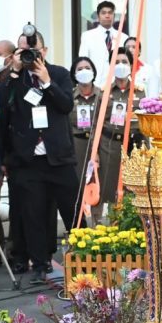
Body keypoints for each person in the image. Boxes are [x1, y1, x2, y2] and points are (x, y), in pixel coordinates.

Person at [0, 30, 76, 285]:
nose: (31, 55)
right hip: (28, 160)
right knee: (34, 215)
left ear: (45, 50)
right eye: (22, 50)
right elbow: (4, 114)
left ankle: (82, 260)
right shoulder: (13, 79)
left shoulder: (60, 73)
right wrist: (16, 72)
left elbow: (66, 106)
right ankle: (39, 265)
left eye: (35, 50)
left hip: (59, 157)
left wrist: (46, 81)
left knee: (71, 211)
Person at [97, 50, 144, 213]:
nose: (120, 65)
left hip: (134, 145)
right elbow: (97, 124)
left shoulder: (140, 91)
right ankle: (113, 226)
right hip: (110, 145)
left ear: (131, 66)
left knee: (133, 188)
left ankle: (131, 227)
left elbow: (145, 122)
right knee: (110, 189)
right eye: (116, 62)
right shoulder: (104, 93)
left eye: (124, 62)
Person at [69, 56, 101, 219]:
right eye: (79, 69)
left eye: (87, 68)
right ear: (74, 74)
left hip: (98, 145)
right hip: (77, 145)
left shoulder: (102, 95)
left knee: (96, 186)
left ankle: (98, 226)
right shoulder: (70, 97)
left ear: (93, 71)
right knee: (77, 186)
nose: (84, 71)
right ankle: (78, 226)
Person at [79, 0, 127, 83]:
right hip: (96, 84)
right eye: (103, 13)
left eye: (110, 13)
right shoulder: (87, 36)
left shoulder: (123, 37)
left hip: (117, 84)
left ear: (114, 16)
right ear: (98, 16)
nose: (107, 16)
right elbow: (83, 61)